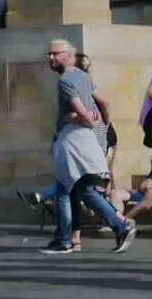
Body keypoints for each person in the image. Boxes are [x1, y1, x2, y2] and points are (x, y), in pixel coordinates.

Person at [41, 39, 133, 256]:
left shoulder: (64, 80)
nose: (51, 58)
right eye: (49, 54)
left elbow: (80, 110)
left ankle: (65, 240)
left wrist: (86, 119)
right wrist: (103, 122)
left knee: (64, 189)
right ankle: (121, 226)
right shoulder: (83, 77)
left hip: (71, 139)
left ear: (68, 56)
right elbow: (105, 102)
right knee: (86, 190)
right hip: (85, 139)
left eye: (55, 53)